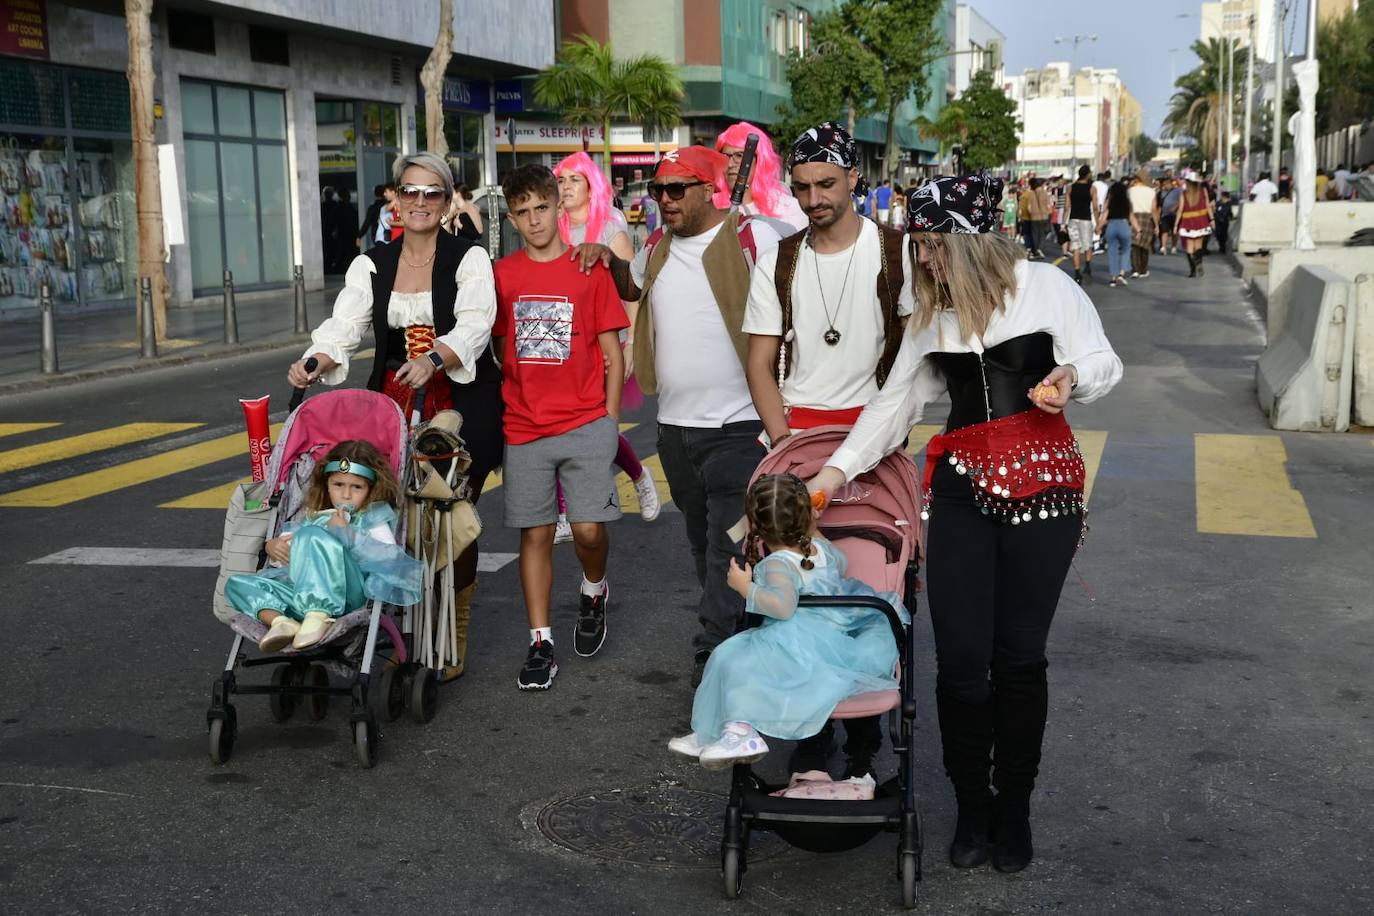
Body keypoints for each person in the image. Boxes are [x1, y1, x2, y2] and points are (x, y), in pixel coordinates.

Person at [806, 174, 1122, 874]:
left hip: (1046, 492)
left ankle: (1013, 807)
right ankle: (970, 809)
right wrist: (830, 478)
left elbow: (1103, 359)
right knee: (959, 662)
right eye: (918, 246)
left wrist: (1069, 378)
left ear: (972, 242)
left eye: (933, 245)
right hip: (959, 493)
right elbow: (895, 407)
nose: (923, 260)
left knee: (1018, 657)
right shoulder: (928, 310)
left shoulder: (1045, 287)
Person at [573, 146, 784, 686]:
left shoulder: (753, 237)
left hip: (740, 430)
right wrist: (602, 254)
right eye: (657, 190)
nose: (662, 200)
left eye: (675, 190)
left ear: (710, 189)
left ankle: (712, 657)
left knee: (724, 545)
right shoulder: (658, 247)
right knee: (703, 547)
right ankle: (743, 635)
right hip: (675, 433)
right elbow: (630, 284)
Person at [743, 120, 915, 781]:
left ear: (853, 180)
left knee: (872, 583)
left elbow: (910, 366)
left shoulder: (894, 255)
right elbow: (760, 362)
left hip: (875, 450)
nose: (813, 197)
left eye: (826, 183)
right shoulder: (780, 261)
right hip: (795, 444)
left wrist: (874, 440)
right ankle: (811, 729)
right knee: (798, 590)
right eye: (802, 186)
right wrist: (785, 447)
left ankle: (867, 723)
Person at [289, 152, 502, 684]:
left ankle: (452, 632)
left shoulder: (469, 259)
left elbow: (476, 325)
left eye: (433, 193)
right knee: (381, 513)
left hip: (457, 398)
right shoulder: (372, 263)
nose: (420, 202)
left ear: (448, 199)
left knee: (451, 520)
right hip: (392, 401)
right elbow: (346, 327)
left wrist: (433, 359)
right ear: (396, 199)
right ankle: (384, 624)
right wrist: (314, 362)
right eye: (411, 191)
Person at [667, 473, 902, 788]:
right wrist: (813, 530)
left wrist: (745, 588)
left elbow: (782, 607)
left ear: (757, 528)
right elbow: (842, 561)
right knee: (732, 661)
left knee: (731, 661)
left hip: (796, 643)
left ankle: (740, 733)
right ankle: (714, 732)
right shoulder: (820, 549)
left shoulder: (778, 563)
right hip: (834, 641)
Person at [492, 164, 627, 690]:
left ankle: (594, 590)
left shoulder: (588, 269)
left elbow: (613, 354)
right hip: (524, 426)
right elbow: (498, 344)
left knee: (590, 530)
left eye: (541, 208)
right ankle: (540, 642)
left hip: (586, 421)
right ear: (511, 217)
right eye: (522, 213)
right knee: (537, 534)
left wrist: (610, 423)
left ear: (558, 206)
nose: (533, 220)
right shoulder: (503, 276)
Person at [554, 152, 662, 538]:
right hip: (558, 341)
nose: (565, 187)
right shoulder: (551, 225)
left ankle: (638, 474)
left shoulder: (610, 228)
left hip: (604, 342)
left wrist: (630, 343)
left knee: (593, 426)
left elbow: (630, 291)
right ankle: (565, 514)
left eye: (574, 180)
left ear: (591, 186)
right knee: (557, 425)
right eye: (561, 180)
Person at [225, 440, 422, 652]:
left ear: (371, 489)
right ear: (326, 485)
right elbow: (288, 553)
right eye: (338, 485)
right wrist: (273, 547)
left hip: (345, 594)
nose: (346, 495)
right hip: (301, 592)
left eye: (356, 487)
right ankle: (281, 622)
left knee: (312, 535)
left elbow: (389, 560)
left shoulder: (372, 518)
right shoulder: (314, 517)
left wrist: (346, 533)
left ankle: (319, 614)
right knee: (235, 584)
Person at [714, 122, 809, 234]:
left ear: (760, 160)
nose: (730, 164)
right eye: (725, 156)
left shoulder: (788, 209)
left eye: (739, 155)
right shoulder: (711, 207)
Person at [1176, 170, 1214, 278]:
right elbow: (1207, 205)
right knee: (1198, 245)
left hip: (1188, 221)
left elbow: (1180, 209)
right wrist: (1212, 219)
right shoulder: (1203, 191)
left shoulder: (1184, 194)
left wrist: (1176, 225)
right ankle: (1199, 263)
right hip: (1201, 220)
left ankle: (1192, 271)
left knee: (1189, 246)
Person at [1097, 178, 1134, 288]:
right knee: (1126, 249)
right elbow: (1131, 216)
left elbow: (1104, 215)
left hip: (1111, 226)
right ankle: (1122, 273)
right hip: (1123, 225)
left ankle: (1113, 278)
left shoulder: (1109, 201)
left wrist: (1098, 227)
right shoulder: (1127, 202)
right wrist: (1138, 229)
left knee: (1112, 251)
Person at [1066, 165, 1100, 284]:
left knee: (1075, 246)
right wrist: (1098, 223)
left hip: (1073, 219)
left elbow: (1067, 207)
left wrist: (1063, 223)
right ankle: (1088, 266)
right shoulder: (1092, 188)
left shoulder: (1070, 188)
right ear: (1088, 175)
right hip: (1086, 219)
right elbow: (1095, 207)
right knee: (1087, 245)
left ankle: (1077, 273)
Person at [1127, 169, 1158, 278]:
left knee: (1134, 244)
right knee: (1145, 245)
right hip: (1147, 218)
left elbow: (1128, 206)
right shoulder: (1151, 192)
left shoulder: (1130, 191)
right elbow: (1154, 209)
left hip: (1133, 217)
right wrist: (1157, 225)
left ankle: (1135, 269)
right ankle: (1143, 269)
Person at [1021, 178, 1051, 260]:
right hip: (1044, 217)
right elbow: (1049, 206)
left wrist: (1033, 213)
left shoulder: (1032, 194)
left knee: (1034, 235)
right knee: (1042, 234)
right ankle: (1039, 249)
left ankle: (1036, 250)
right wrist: (1047, 213)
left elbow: (1029, 207)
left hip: (1034, 217)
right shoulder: (1045, 193)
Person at [357, 184, 391, 251]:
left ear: (375, 194)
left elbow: (367, 223)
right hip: (390, 233)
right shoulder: (390, 206)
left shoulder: (373, 208)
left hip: (376, 234)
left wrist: (359, 236)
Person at [1159, 177, 1183, 255]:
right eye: (1164, 184)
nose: (1165, 186)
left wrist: (1176, 207)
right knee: (1164, 231)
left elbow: (1181, 201)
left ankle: (1173, 247)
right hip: (1165, 215)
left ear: (1171, 183)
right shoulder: (1162, 192)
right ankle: (1163, 247)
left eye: (1166, 184)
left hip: (1175, 215)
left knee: (1174, 232)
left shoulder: (1178, 190)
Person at [1214, 191, 1234, 255]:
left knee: (1224, 234)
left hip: (1225, 221)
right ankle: (1221, 246)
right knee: (1218, 234)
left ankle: (1223, 247)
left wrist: (1231, 217)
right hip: (1218, 221)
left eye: (1223, 196)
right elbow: (1215, 211)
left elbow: (1229, 211)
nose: (1221, 197)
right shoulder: (1218, 203)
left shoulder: (1229, 203)